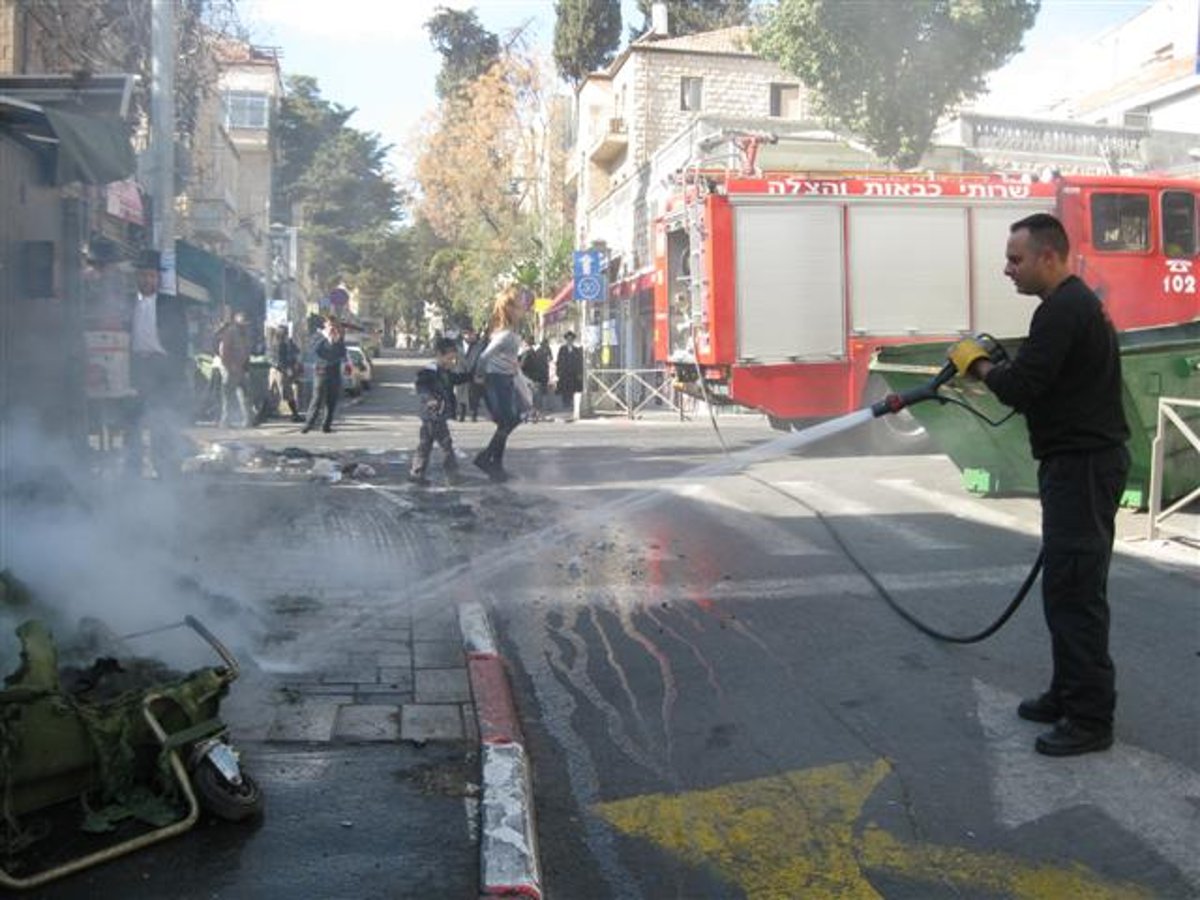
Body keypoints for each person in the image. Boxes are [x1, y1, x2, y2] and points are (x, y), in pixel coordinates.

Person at [947, 212, 1129, 758]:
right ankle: (1067, 692)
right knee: (1064, 586)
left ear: (1049, 256)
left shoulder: (1064, 311)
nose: (1008, 270)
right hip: (1077, 463)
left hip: (1083, 466)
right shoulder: (1068, 307)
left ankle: (1091, 718)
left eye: (1015, 259)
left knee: (1075, 592)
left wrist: (976, 365)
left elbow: (1022, 389)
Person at [126, 249, 188, 477]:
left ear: (158, 278)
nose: (147, 280)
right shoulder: (127, 303)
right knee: (133, 421)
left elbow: (182, 341)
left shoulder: (170, 304)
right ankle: (132, 470)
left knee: (161, 422)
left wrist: (177, 371)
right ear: (137, 278)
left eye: (151, 276)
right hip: (136, 368)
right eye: (143, 276)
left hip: (163, 369)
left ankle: (165, 469)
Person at [473, 287, 525, 482]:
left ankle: (494, 463)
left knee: (509, 420)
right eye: (519, 306)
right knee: (508, 421)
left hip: (505, 379)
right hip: (496, 380)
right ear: (510, 309)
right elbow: (484, 357)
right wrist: (479, 377)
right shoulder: (505, 335)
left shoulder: (507, 332)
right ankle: (488, 460)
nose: (522, 310)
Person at [410, 337, 471, 486]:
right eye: (449, 359)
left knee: (425, 445)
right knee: (446, 445)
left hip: (434, 415)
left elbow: (456, 379)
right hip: (433, 414)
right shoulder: (430, 371)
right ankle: (453, 476)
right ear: (439, 354)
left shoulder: (444, 371)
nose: (452, 363)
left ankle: (416, 474)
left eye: (454, 360)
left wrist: (471, 376)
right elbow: (421, 386)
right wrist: (430, 398)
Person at [302, 316, 347, 434]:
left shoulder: (338, 337)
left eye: (334, 324)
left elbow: (342, 353)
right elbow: (314, 350)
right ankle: (308, 424)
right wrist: (326, 337)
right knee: (317, 399)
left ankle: (326, 425)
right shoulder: (318, 336)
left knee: (331, 401)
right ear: (325, 325)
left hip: (334, 372)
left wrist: (337, 340)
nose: (332, 327)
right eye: (330, 324)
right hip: (321, 371)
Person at [215, 310, 251, 428]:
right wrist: (230, 367)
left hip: (241, 368)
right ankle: (225, 421)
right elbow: (224, 351)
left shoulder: (244, 333)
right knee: (228, 396)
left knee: (244, 395)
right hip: (231, 369)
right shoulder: (230, 332)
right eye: (243, 323)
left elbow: (246, 351)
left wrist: (245, 366)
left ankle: (247, 420)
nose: (246, 325)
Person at [267, 326, 303, 422]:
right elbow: (279, 359)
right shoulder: (279, 344)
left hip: (277, 370)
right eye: (285, 332)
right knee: (286, 392)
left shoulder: (286, 343)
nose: (287, 334)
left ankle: (264, 414)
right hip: (279, 370)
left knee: (274, 392)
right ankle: (295, 415)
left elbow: (296, 351)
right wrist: (287, 369)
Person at [455, 326, 484, 422]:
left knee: (474, 395)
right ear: (463, 335)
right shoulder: (458, 346)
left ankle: (473, 415)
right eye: (467, 334)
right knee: (461, 394)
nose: (470, 336)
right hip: (461, 373)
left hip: (474, 373)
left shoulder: (479, 346)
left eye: (471, 334)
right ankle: (462, 414)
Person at [555, 330, 583, 411]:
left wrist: (579, 373)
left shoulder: (576, 350)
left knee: (573, 389)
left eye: (571, 339)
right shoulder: (562, 349)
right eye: (568, 339)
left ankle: (571, 404)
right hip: (564, 373)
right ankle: (565, 403)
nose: (569, 340)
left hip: (573, 374)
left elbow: (579, 362)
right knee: (564, 389)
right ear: (566, 340)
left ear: (573, 340)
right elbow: (559, 361)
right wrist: (558, 371)